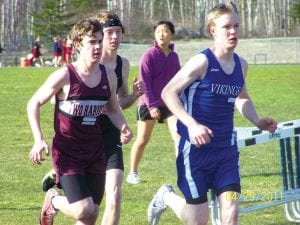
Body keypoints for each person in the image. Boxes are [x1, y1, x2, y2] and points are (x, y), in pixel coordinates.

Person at [147, 2, 277, 225]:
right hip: (195, 151)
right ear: (213, 30)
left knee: (231, 213)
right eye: (227, 27)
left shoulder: (241, 65)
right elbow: (168, 92)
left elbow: (241, 97)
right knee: (198, 220)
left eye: (236, 25)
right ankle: (165, 196)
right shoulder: (202, 61)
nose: (234, 31)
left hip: (226, 152)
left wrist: (257, 120)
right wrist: (191, 124)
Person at [40, 12, 144, 225]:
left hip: (108, 137)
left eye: (118, 32)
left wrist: (131, 102)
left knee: (107, 200)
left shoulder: (120, 66)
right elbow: (55, 101)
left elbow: (117, 104)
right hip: (78, 140)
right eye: (109, 33)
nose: (114, 37)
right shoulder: (73, 71)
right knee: (84, 210)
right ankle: (56, 193)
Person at [126, 20, 180, 185]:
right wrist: (151, 106)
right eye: (158, 32)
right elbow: (145, 83)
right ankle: (132, 173)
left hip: (169, 104)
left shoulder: (174, 56)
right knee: (143, 139)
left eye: (165, 31)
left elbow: (178, 80)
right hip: (148, 103)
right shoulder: (148, 56)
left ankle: (184, 171)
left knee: (179, 136)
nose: (161, 35)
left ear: (171, 35)